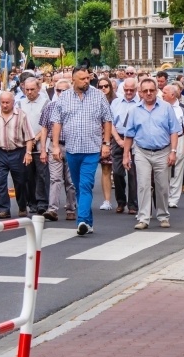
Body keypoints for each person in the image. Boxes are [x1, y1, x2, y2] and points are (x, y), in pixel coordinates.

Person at [51, 65, 113, 235]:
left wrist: (106, 143)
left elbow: (107, 120)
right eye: (83, 79)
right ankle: (89, 223)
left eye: (88, 78)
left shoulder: (98, 95)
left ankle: (82, 221)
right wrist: (55, 146)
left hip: (91, 149)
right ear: (73, 80)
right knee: (78, 186)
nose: (87, 81)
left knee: (86, 185)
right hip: (72, 149)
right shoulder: (64, 97)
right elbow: (57, 122)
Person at [122, 78, 181, 230]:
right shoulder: (134, 110)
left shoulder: (166, 108)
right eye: (145, 91)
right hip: (142, 152)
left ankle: (163, 215)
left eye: (151, 90)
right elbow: (129, 135)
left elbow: (174, 131)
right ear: (140, 93)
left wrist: (173, 151)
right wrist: (126, 155)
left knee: (162, 186)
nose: (149, 93)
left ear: (156, 91)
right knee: (143, 185)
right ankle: (143, 218)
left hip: (163, 151)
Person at [39, 79, 77, 221]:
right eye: (58, 90)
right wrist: (43, 149)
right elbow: (44, 129)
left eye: (64, 90)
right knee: (55, 178)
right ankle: (52, 209)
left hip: (72, 145)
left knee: (70, 180)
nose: (61, 93)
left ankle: (71, 208)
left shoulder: (76, 106)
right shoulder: (50, 106)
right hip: (54, 145)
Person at [0, 92, 35, 219]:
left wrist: (28, 153)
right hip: (0, 152)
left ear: (13, 102)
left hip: (18, 152)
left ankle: (22, 206)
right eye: (2, 102)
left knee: (20, 182)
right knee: (0, 181)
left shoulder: (21, 115)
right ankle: (3, 209)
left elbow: (29, 136)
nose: (5, 105)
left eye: (7, 102)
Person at [17, 77, 49, 215]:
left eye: (32, 89)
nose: (29, 92)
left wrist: (35, 138)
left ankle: (42, 202)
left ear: (39, 88)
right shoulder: (20, 103)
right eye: (27, 89)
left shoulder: (45, 103)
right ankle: (32, 202)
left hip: (41, 144)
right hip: (24, 145)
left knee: (42, 175)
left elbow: (46, 125)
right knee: (27, 175)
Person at [110, 77, 140, 214]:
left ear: (136, 89)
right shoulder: (116, 102)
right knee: (117, 172)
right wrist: (118, 139)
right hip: (118, 138)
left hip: (135, 139)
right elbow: (110, 122)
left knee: (133, 174)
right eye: (126, 89)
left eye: (131, 90)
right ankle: (120, 201)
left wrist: (131, 141)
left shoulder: (140, 103)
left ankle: (133, 205)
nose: (128, 92)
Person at [163, 84, 184, 208]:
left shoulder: (182, 108)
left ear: (172, 95)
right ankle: (164, 196)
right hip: (164, 141)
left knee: (178, 169)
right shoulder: (161, 106)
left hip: (179, 139)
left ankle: (173, 199)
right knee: (164, 168)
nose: (162, 95)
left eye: (165, 93)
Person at [96, 78, 118, 211]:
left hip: (117, 139)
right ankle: (107, 200)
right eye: (100, 86)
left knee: (119, 172)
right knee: (105, 169)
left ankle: (123, 200)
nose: (103, 88)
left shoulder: (116, 102)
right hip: (101, 139)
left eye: (106, 86)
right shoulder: (95, 102)